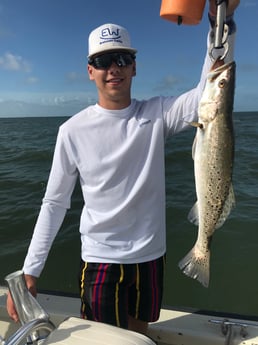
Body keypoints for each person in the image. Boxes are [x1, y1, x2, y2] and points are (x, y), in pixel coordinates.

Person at [7, 0, 240, 335]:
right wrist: (32, 270)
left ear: (134, 67)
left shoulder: (157, 114)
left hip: (150, 256)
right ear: (90, 70)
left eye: (122, 59)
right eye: (103, 61)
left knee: (138, 331)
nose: (113, 67)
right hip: (101, 260)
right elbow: (54, 204)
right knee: (106, 338)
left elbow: (211, 87)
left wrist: (223, 19)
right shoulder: (71, 131)